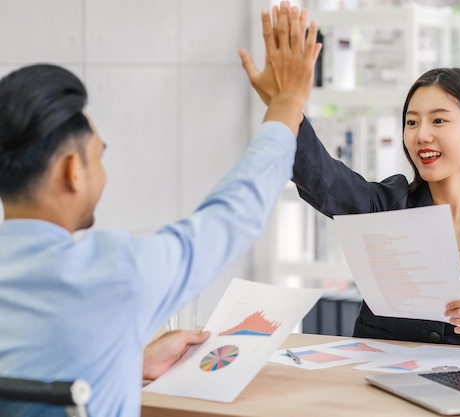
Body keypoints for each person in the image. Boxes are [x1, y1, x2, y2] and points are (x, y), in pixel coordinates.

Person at [0, 2, 321, 416]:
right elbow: (231, 216)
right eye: (99, 157)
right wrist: (287, 104)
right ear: (72, 171)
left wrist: (127, 363)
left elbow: (25, 378)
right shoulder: (113, 274)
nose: (103, 172)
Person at [242, 55, 460, 347]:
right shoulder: (389, 204)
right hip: (383, 384)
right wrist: (286, 106)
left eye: (438, 121)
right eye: (411, 122)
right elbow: (327, 181)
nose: (421, 135)